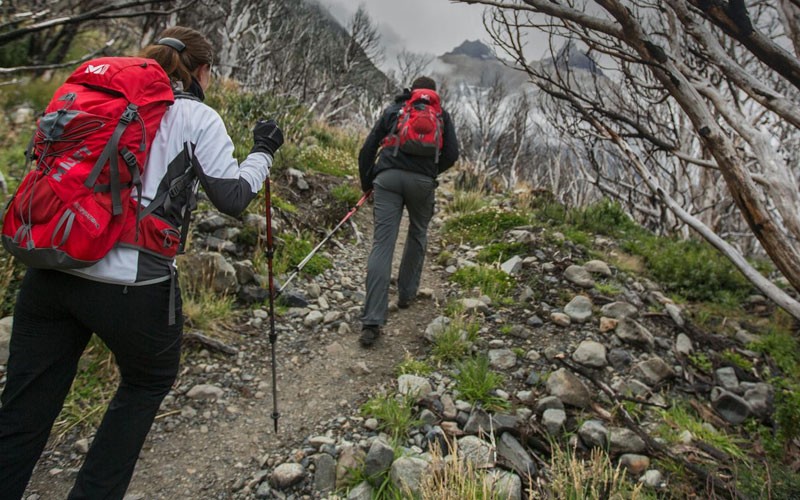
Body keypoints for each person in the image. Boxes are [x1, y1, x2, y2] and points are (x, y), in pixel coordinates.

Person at [0, 26, 283, 500]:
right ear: (201, 71)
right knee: (147, 381)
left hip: (51, 266)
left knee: (23, 408)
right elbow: (232, 196)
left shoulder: (92, 98)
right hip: (132, 282)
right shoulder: (196, 116)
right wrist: (264, 151)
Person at [357, 76, 459, 347]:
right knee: (417, 233)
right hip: (422, 183)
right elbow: (452, 153)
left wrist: (368, 183)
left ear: (411, 92)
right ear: (433, 95)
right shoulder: (441, 116)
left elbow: (367, 149)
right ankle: (406, 294)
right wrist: (430, 172)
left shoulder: (394, 110)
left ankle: (372, 321)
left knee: (382, 244)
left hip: (388, 179)